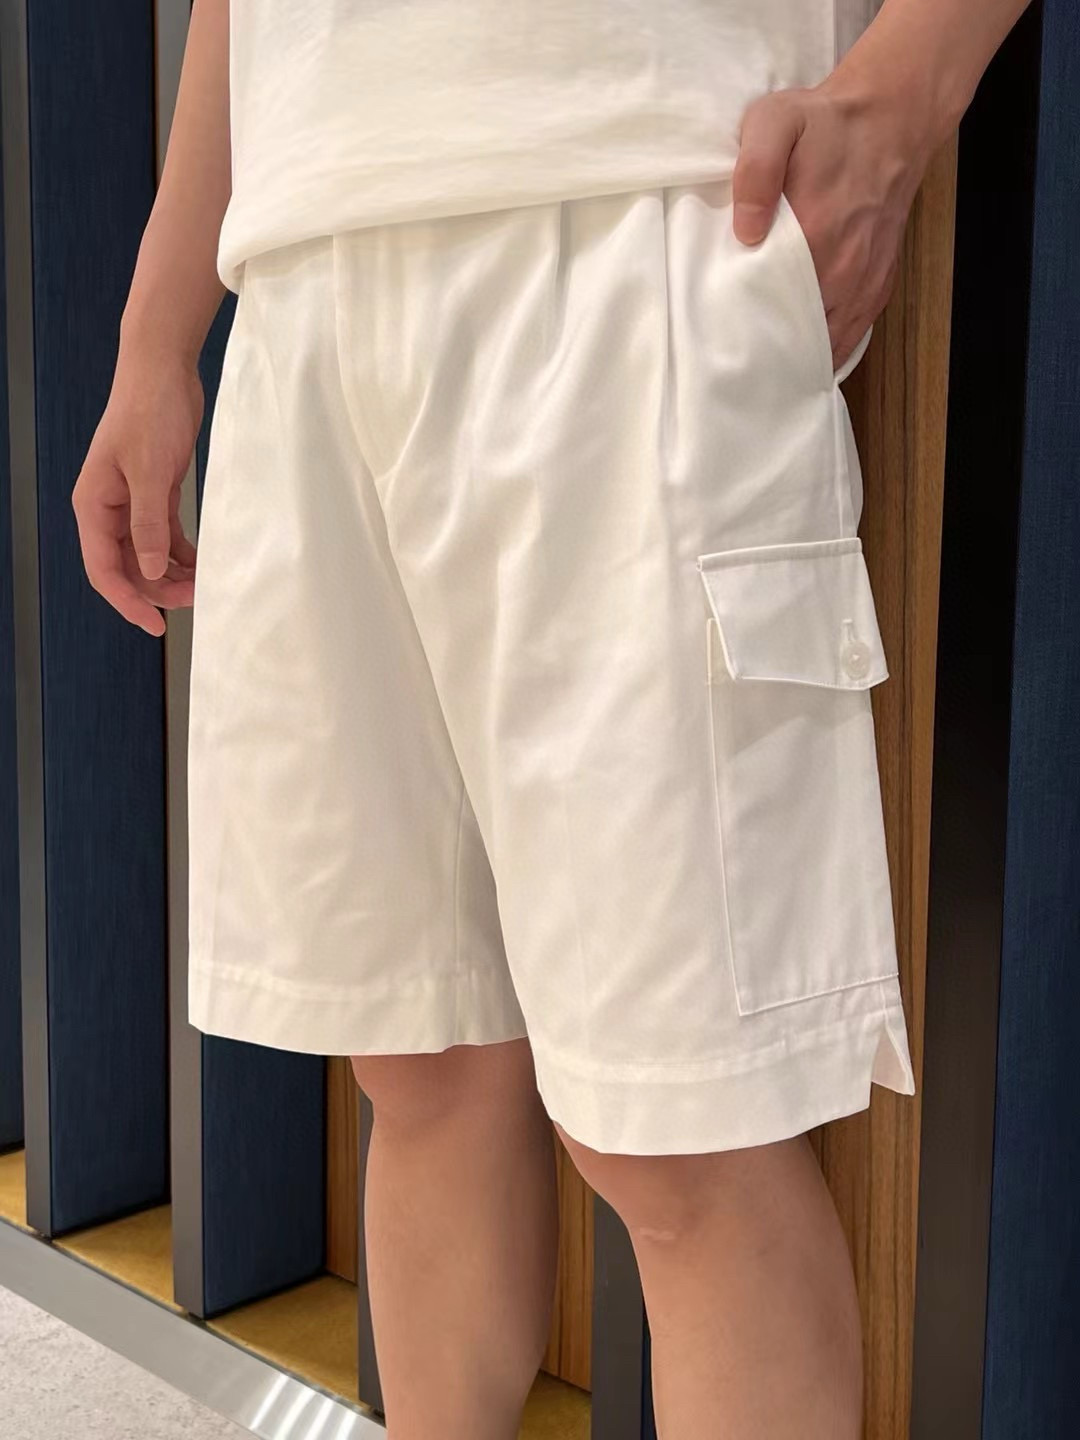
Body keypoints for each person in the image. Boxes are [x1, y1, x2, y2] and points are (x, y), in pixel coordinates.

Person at [72, 2, 1032, 1435]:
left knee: (685, 1127)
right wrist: (157, 334)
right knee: (417, 1059)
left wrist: (900, 105)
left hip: (633, 193)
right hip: (306, 254)